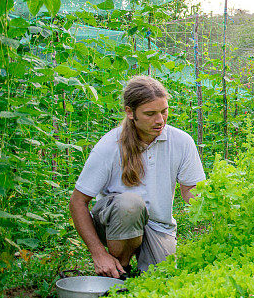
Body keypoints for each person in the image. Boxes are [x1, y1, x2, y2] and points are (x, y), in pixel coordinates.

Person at [69, 75, 206, 279]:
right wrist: (98, 253)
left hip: (158, 226)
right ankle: (118, 271)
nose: (159, 120)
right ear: (130, 112)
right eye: (150, 114)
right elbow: (77, 202)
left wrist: (211, 210)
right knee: (130, 205)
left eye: (164, 111)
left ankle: (136, 271)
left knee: (164, 280)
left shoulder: (181, 141)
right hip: (112, 223)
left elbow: (191, 190)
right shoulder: (110, 145)